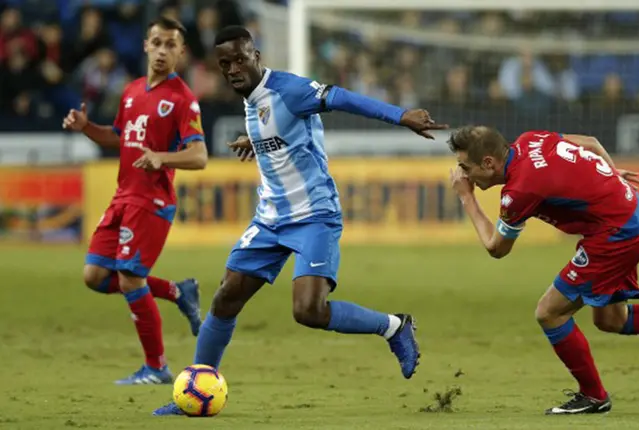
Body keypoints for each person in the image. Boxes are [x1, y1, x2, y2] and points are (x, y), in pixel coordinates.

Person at [153, 25, 448, 416]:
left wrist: (400, 116)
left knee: (308, 311)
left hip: (313, 216)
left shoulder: (289, 90)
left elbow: (341, 98)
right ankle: (194, 392)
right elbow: (280, 128)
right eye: (225, 64)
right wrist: (255, 142)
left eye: (240, 59)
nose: (234, 69)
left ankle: (394, 326)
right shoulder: (252, 98)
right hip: (270, 218)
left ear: (256, 56)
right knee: (226, 298)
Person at [446, 125, 639, 415]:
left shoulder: (520, 190)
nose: (464, 175)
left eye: (466, 168)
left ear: (489, 163)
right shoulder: (531, 139)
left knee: (549, 312)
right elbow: (591, 142)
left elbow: (497, 248)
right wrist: (610, 179)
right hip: (632, 215)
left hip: (618, 233)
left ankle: (594, 396)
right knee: (611, 319)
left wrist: (466, 197)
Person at [62, 17, 207, 385]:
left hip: (152, 201)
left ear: (181, 52)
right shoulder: (131, 92)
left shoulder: (182, 99)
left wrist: (162, 158)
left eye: (170, 45)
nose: (162, 51)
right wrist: (86, 127)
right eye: (157, 42)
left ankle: (157, 367)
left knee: (129, 279)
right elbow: (118, 137)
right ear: (145, 45)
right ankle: (178, 291)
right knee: (95, 276)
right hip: (123, 196)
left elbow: (199, 156)